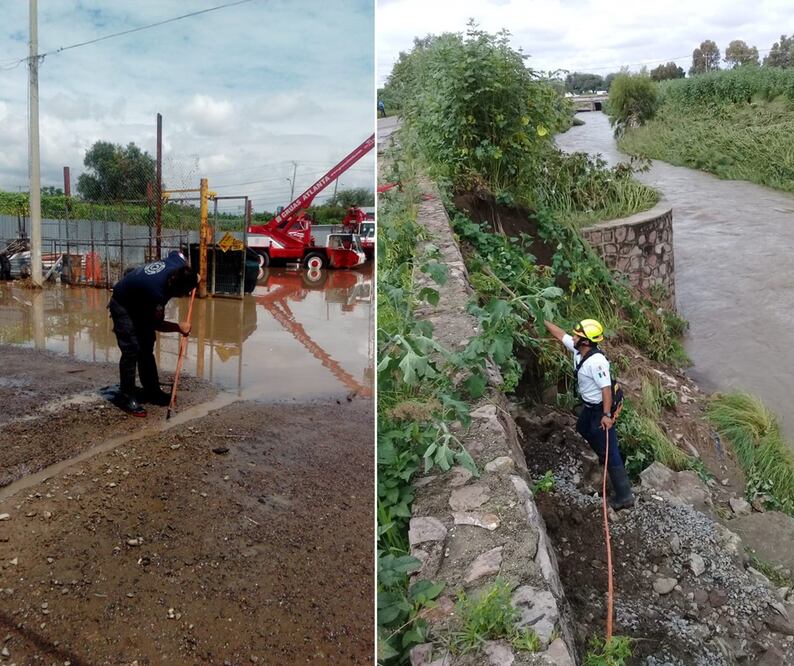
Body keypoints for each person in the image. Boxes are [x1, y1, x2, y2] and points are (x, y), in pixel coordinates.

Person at [544, 318, 635, 510]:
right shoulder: (579, 350)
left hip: (601, 410)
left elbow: (606, 390)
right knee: (582, 427)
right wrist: (541, 320)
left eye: (577, 335)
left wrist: (607, 415)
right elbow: (560, 335)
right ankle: (600, 456)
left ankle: (625, 495)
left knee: (611, 452)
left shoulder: (597, 362)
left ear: (585, 341)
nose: (573, 336)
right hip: (590, 408)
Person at [108, 250, 199, 417]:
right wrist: (179, 327)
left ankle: (152, 390)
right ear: (175, 289)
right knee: (132, 349)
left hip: (138, 295)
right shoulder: (156, 292)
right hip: (123, 303)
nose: (184, 296)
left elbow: (177, 253)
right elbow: (155, 324)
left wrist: (195, 276)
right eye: (183, 293)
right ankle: (126, 396)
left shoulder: (178, 264)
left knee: (146, 345)